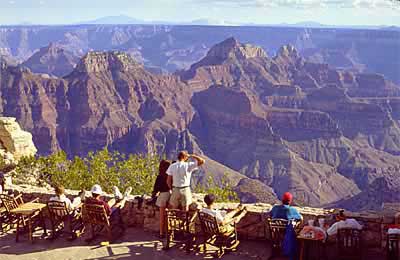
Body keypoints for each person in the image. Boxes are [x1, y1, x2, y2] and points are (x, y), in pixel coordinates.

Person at [151, 159, 172, 238]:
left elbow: (156, 189)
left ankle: (161, 233)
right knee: (169, 216)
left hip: (163, 196)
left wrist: (153, 196)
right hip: (170, 195)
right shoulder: (170, 176)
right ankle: (169, 231)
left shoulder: (160, 177)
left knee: (162, 216)